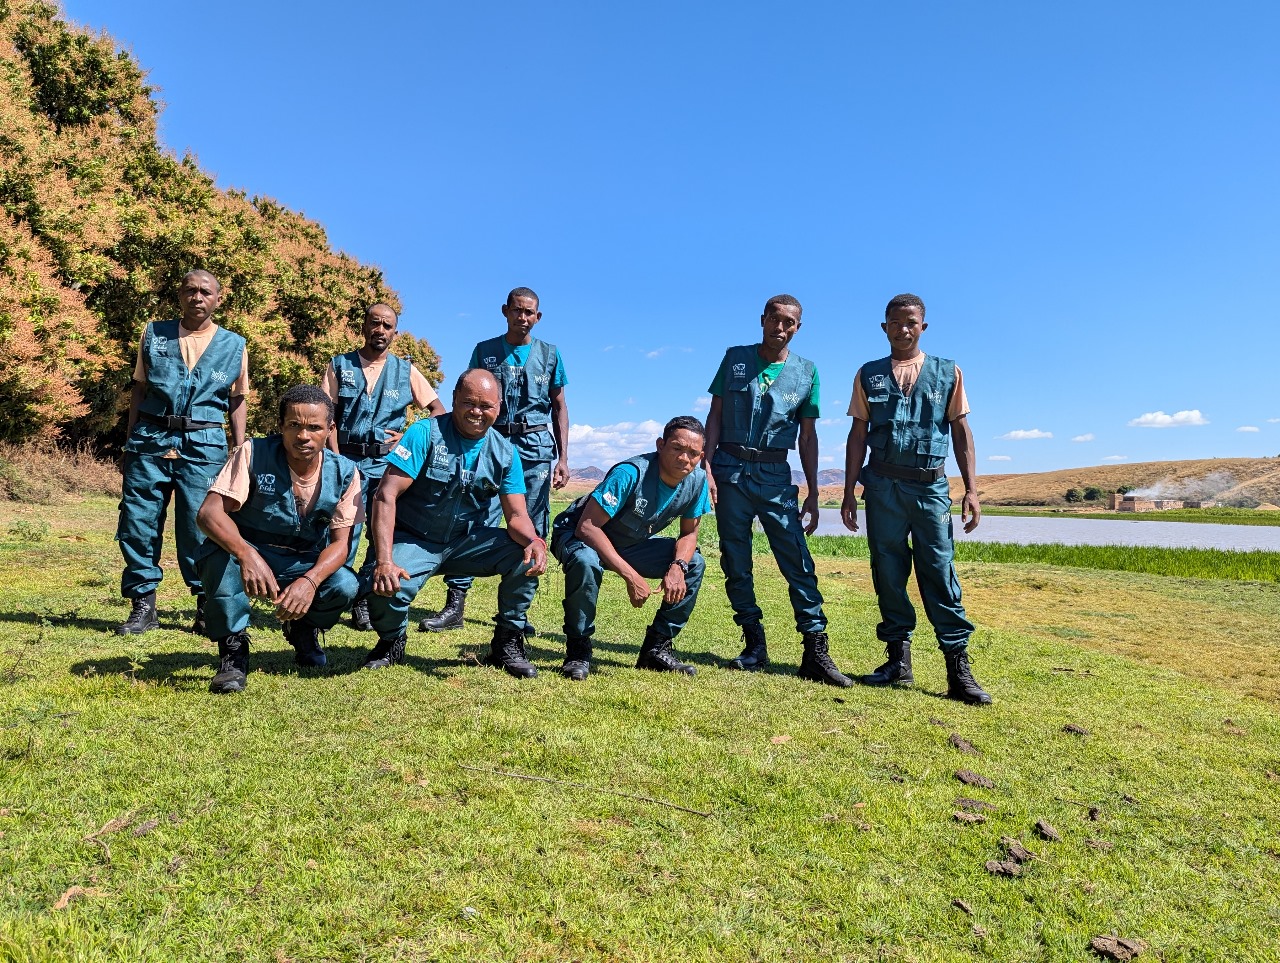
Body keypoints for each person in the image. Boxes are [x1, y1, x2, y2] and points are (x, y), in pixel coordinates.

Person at [839, 293, 992, 705]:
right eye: (895, 322)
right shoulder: (868, 374)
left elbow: (961, 432)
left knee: (939, 572)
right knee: (888, 571)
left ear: (923, 327)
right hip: (882, 488)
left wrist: (972, 490)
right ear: (884, 327)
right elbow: (857, 435)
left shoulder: (948, 372)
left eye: (911, 322)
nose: (903, 329)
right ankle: (897, 662)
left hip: (929, 489)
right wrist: (850, 491)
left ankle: (958, 670)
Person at [703, 294, 852, 687]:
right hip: (730, 470)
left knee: (797, 559)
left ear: (798, 328)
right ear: (763, 320)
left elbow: (808, 436)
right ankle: (754, 643)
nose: (780, 327)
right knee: (735, 560)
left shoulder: (807, 371)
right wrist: (707, 466)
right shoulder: (735, 358)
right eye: (775, 319)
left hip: (775, 475)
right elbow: (715, 414)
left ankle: (815, 650)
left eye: (789, 322)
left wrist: (814, 492)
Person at [360, 369, 548, 677]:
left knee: (524, 556)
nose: (477, 412)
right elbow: (385, 495)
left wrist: (534, 541)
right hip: (417, 540)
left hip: (466, 542)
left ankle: (507, 642)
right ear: (454, 399)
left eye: (485, 406)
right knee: (386, 586)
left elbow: (516, 516)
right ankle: (392, 640)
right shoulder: (425, 433)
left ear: (498, 407)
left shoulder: (505, 452)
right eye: (469, 403)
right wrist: (384, 561)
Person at [194, 385, 363, 694]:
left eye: (315, 427)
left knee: (344, 584)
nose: (303, 436)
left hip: (301, 560)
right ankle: (233, 651)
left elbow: (341, 544)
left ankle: (302, 628)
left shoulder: (346, 473)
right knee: (216, 558)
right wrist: (246, 555)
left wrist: (310, 581)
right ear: (280, 426)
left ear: (330, 430)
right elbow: (208, 514)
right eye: (294, 425)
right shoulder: (253, 452)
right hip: (249, 550)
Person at [419, 287, 568, 634]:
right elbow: (469, 396)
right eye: (517, 310)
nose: (523, 317)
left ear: (538, 317)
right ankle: (455, 605)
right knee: (473, 520)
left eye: (529, 312)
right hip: (491, 444)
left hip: (534, 449)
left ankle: (517, 613)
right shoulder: (484, 351)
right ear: (505, 311)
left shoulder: (550, 354)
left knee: (532, 527)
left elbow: (560, 406)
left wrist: (563, 458)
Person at [116, 269, 248, 637]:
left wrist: (239, 450)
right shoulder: (153, 334)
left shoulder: (234, 345)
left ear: (218, 299)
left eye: (205, 292)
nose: (197, 297)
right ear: (179, 295)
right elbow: (139, 390)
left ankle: (206, 605)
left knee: (201, 526)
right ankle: (143, 605)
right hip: (149, 440)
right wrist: (129, 441)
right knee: (138, 522)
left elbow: (237, 400)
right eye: (190, 290)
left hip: (204, 445)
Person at [551, 416, 712, 679]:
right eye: (677, 448)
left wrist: (677, 566)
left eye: (693, 453)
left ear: (701, 456)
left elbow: (689, 533)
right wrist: (631, 576)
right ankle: (578, 650)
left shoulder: (697, 481)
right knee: (586, 561)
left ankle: (656, 649)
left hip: (628, 543)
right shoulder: (630, 473)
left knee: (694, 563)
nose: (684, 458)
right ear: (660, 445)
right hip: (578, 534)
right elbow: (587, 527)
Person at [323, 303, 445, 631]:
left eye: (387, 326)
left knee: (380, 533)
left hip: (385, 464)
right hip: (345, 460)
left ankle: (362, 599)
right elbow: (325, 415)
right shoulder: (339, 365)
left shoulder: (405, 371)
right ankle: (332, 596)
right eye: (375, 323)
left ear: (394, 333)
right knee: (342, 530)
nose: (380, 330)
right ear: (364, 326)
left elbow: (438, 410)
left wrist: (409, 436)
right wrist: (335, 458)